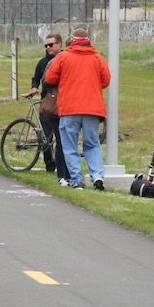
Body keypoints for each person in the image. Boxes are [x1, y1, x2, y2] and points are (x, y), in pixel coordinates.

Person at [45, 27, 111, 190]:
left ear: (72, 40)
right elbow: (106, 80)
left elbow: (50, 78)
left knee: (69, 145)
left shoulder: (63, 57)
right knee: (92, 144)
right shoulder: (97, 58)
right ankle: (97, 175)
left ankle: (76, 179)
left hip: (69, 108)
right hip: (92, 109)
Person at [30, 34, 68, 185]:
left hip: (61, 103)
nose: (48, 48)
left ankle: (62, 168)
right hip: (48, 103)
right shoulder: (43, 62)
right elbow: (38, 78)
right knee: (45, 136)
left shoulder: (65, 59)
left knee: (60, 138)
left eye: (51, 45)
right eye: (46, 45)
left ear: (59, 44)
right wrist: (34, 87)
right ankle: (49, 163)